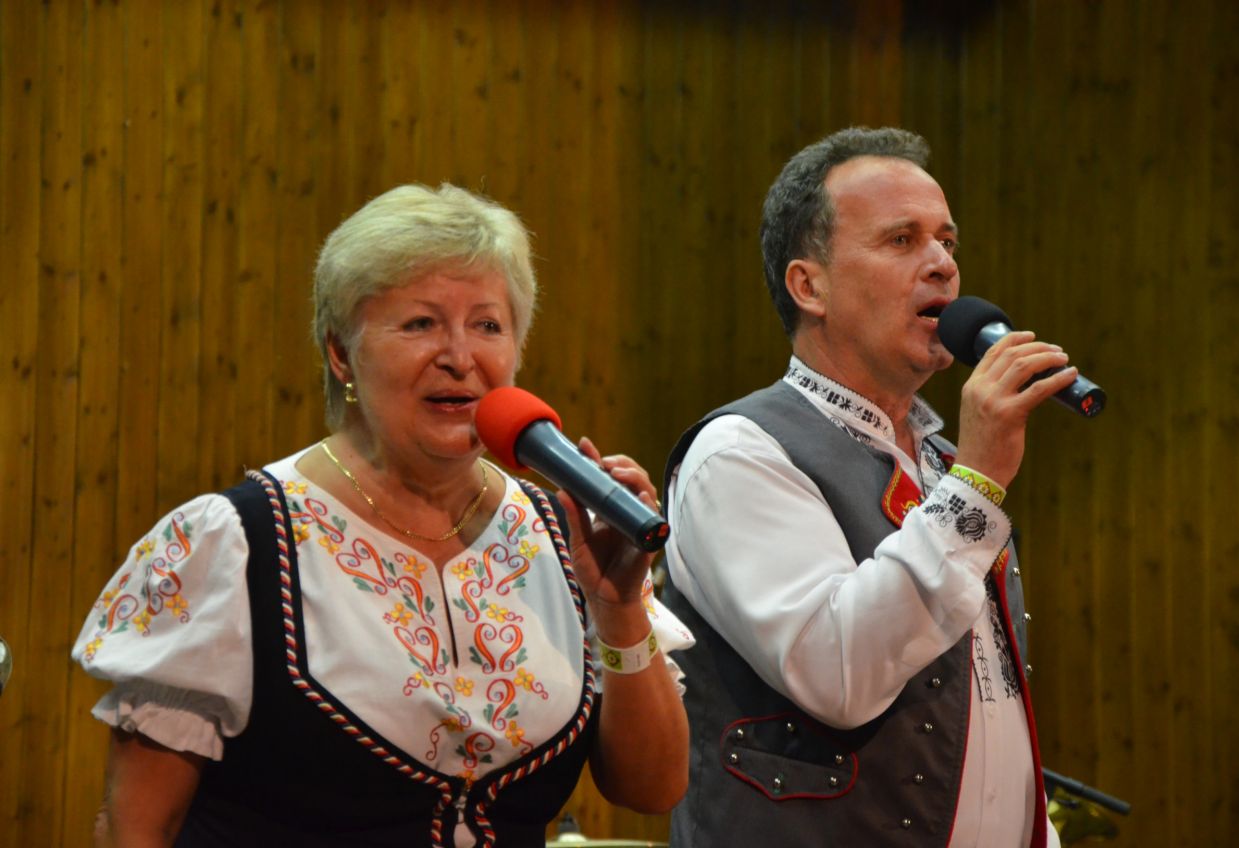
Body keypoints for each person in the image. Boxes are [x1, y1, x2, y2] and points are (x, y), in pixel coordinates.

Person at [72, 183, 692, 847]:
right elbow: (136, 827)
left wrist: (619, 610)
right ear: (341, 352)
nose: (461, 357)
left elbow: (651, 790)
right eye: (421, 324)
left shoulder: (565, 534)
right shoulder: (233, 542)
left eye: (488, 325)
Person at [662, 127, 1071, 847]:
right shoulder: (738, 453)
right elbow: (837, 675)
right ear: (809, 286)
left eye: (947, 240)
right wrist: (977, 485)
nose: (943, 265)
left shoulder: (946, 464)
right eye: (902, 240)